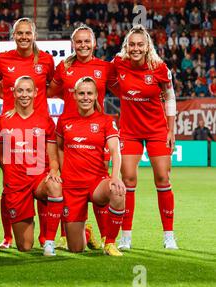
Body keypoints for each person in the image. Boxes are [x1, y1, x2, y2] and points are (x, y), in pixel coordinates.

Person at [47, 24, 118, 250]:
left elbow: (124, 87)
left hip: (96, 131)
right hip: (69, 132)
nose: (83, 45)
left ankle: (109, 237)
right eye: (79, 41)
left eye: (87, 41)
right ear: (73, 44)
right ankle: (73, 232)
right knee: (68, 184)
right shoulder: (64, 67)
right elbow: (48, 91)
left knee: (99, 181)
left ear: (95, 43)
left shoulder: (105, 68)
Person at [112, 25, 179, 250]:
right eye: (132, 44)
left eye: (140, 44)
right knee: (128, 179)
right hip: (129, 131)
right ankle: (126, 236)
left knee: (162, 178)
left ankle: (169, 235)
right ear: (126, 46)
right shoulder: (118, 64)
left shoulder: (159, 68)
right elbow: (108, 82)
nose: (136, 48)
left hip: (156, 131)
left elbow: (169, 97)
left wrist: (171, 129)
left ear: (147, 46)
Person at [0, 17, 55, 250]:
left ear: (34, 35)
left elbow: (54, 86)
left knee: (44, 180)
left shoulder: (46, 61)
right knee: (9, 185)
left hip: (39, 132)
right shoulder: (2, 60)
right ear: (13, 36)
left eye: (27, 33)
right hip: (13, 132)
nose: (23, 37)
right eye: (19, 33)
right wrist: (11, 108)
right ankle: (8, 236)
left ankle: (45, 237)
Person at [56, 76, 125, 256]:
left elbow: (116, 151)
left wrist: (115, 177)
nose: (85, 97)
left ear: (95, 96)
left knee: (118, 191)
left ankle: (109, 242)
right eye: (81, 93)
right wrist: (63, 172)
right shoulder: (64, 120)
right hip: (72, 186)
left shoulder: (106, 120)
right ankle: (86, 232)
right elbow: (59, 148)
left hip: (96, 182)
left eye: (89, 93)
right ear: (74, 96)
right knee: (76, 248)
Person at [0, 76, 63, 256]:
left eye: (28, 90)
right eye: (20, 90)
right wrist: (10, 175)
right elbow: (0, 155)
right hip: (17, 183)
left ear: (35, 93)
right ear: (14, 93)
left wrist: (54, 172)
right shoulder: (4, 120)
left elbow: (53, 156)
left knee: (55, 186)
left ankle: (49, 241)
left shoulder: (45, 121)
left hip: (39, 179)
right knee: (25, 246)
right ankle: (28, 219)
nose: (24, 94)